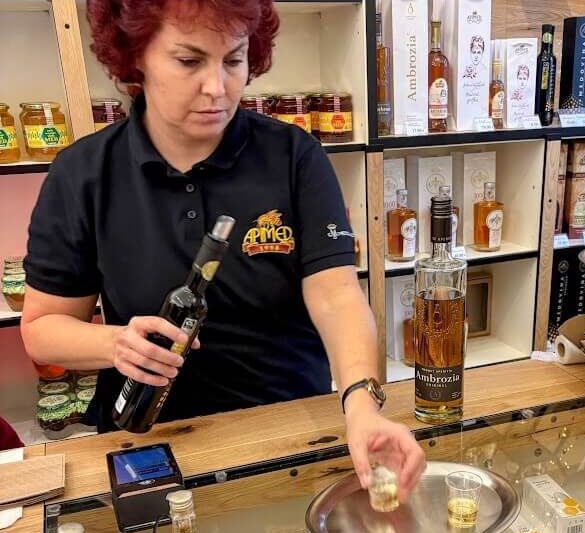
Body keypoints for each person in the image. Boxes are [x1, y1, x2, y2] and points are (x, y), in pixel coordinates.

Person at [20, 0, 425, 500]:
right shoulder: (83, 174)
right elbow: (41, 330)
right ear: (134, 57)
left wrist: (362, 405)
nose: (218, 87)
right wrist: (116, 344)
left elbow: (337, 296)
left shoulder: (294, 156)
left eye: (233, 60)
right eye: (189, 61)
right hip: (152, 444)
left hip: (289, 428)